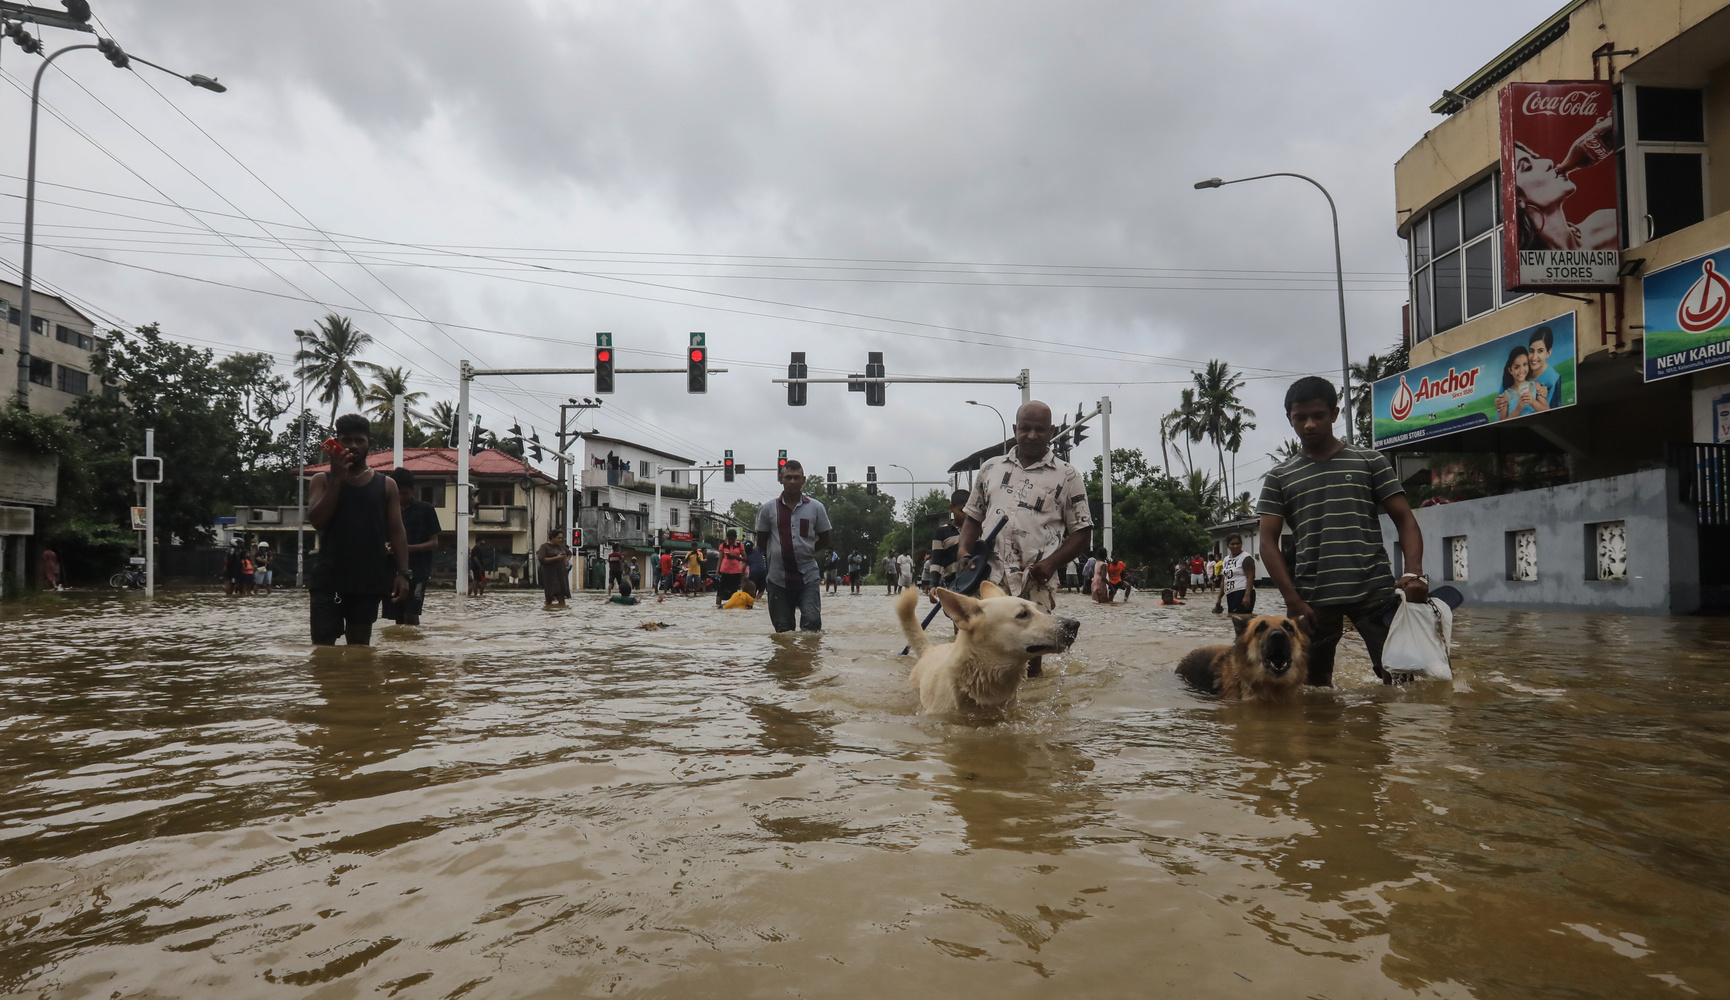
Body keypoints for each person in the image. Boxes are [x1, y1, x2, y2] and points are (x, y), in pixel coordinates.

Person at [1258, 376, 1428, 686]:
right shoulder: (1279, 477)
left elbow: (1405, 520)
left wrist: (1414, 573)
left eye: (1318, 415)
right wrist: (1292, 600)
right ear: (1289, 419)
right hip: (1312, 598)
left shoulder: (1370, 461)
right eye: (1300, 417)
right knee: (1314, 686)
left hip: (1376, 592)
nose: (1309, 424)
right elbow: (1267, 542)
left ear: (1335, 414)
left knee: (1401, 679)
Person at [959, 400, 1094, 678]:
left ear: (1051, 431)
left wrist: (1051, 564)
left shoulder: (1068, 476)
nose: (1032, 435)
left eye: (1040, 430)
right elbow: (972, 518)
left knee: (1032, 660)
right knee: (974, 651)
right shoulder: (990, 469)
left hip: (1035, 579)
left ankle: (1029, 709)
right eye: (1025, 428)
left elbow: (1082, 531)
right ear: (1014, 429)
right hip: (988, 578)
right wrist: (963, 552)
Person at [306, 414, 411, 646]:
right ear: (336, 442)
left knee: (360, 650)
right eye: (346, 440)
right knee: (323, 650)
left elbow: (397, 531)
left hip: (368, 580)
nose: (352, 446)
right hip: (328, 580)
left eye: (359, 440)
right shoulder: (321, 480)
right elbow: (317, 521)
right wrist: (337, 479)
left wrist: (404, 573)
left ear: (369, 444)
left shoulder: (386, 485)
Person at [753, 459, 833, 632]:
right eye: (788, 477)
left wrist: (809, 550)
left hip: (808, 576)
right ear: (780, 479)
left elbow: (826, 538)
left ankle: (806, 659)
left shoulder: (816, 507)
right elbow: (761, 542)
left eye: (796, 478)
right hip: (777, 578)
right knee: (783, 631)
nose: (792, 482)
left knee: (811, 625)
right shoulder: (767, 509)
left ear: (803, 480)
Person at [1510, 128, 1618, 253]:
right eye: (1527, 167)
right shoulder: (1534, 270)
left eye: (1536, 158)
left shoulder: (1608, 224)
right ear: (1518, 199)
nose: (1548, 162)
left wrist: (1612, 124)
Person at [379, 468, 440, 624]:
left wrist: (407, 548)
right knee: (397, 615)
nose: (400, 497)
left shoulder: (426, 510)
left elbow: (434, 543)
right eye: (397, 493)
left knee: (411, 613)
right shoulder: (385, 511)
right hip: (391, 569)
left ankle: (414, 645)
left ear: (413, 490)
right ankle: (401, 648)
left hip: (418, 572)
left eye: (404, 493)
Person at [1495, 345, 1546, 420]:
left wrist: (1533, 402)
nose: (1522, 370)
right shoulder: (1506, 396)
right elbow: (1501, 423)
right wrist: (1518, 409)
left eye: (1525, 364)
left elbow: (1547, 410)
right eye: (1517, 367)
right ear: (1510, 370)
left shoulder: (1536, 386)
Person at [929, 490, 968, 589]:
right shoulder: (941, 532)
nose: (965, 515)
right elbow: (936, 562)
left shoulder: (979, 530)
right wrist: (933, 585)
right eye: (962, 511)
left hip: (976, 582)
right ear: (951, 508)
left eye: (969, 511)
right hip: (953, 585)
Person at [1212, 534, 1256, 615]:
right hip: (1230, 593)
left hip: (1243, 592)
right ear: (1228, 545)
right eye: (1232, 544)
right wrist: (1219, 598)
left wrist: (1247, 595)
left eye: (1238, 543)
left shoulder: (1246, 558)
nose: (1235, 546)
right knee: (1232, 618)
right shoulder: (1226, 559)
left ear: (1241, 544)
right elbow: (1224, 580)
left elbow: (1251, 577)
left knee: (1241, 619)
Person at [1526, 324, 1562, 411]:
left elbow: (1556, 411)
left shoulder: (1554, 378)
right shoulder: (1520, 370)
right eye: (1531, 351)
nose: (1534, 357)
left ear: (1548, 353)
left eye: (1540, 351)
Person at [537, 527, 572, 608]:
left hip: (561, 575)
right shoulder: (544, 547)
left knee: (562, 597)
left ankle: (561, 614)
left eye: (561, 538)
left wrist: (566, 559)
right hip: (550, 575)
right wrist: (556, 558)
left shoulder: (560, 547)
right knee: (549, 597)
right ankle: (549, 612)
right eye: (558, 538)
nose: (560, 540)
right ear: (552, 537)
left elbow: (569, 552)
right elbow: (542, 560)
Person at [716, 529, 747, 608]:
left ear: (735, 538)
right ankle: (717, 606)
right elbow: (720, 558)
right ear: (727, 538)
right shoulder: (723, 545)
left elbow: (745, 558)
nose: (731, 541)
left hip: (736, 572)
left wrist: (735, 557)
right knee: (720, 590)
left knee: (733, 591)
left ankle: (731, 606)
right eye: (729, 539)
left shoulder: (740, 546)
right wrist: (717, 570)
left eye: (733, 539)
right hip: (724, 571)